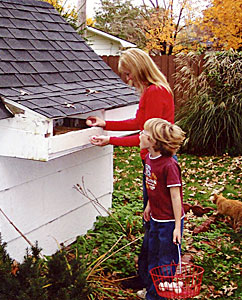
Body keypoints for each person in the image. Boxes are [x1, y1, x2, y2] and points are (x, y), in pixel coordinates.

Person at [87, 48, 175, 293]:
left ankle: (155, 283)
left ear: (138, 69)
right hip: (151, 162)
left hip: (159, 165)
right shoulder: (150, 92)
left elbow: (147, 137)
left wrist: (110, 140)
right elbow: (139, 123)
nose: (127, 80)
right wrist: (106, 125)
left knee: (158, 225)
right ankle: (146, 277)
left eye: (127, 74)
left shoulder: (156, 93)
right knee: (150, 222)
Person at [139, 118, 185, 300]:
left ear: (154, 141)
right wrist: (149, 205)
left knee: (165, 262)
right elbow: (154, 186)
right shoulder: (150, 158)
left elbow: (176, 196)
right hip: (156, 219)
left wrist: (176, 227)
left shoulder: (169, 165)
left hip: (168, 222)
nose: (140, 135)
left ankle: (160, 296)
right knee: (153, 258)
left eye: (144, 133)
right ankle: (152, 292)